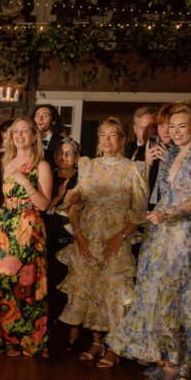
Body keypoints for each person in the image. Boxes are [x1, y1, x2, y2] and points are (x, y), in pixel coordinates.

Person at [108, 101, 191, 380]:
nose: (176, 131)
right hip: (161, 231)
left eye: (182, 126)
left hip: (184, 234)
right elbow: (160, 191)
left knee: (181, 297)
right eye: (172, 126)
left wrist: (168, 213)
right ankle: (168, 357)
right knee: (160, 296)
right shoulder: (172, 153)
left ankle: (187, 364)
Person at [57, 118, 148, 367]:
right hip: (89, 235)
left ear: (123, 140)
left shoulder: (134, 169)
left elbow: (140, 212)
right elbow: (79, 199)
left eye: (113, 135)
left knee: (115, 292)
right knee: (92, 290)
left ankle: (114, 348)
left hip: (117, 238)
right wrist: (75, 200)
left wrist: (121, 238)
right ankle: (97, 342)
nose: (107, 140)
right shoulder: (88, 165)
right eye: (103, 135)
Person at [0, 116, 53, 357]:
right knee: (3, 284)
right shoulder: (3, 162)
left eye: (26, 131)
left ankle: (23, 341)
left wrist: (27, 184)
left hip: (29, 230)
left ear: (35, 136)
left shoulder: (41, 165)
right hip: (4, 228)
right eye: (17, 131)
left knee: (24, 285)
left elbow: (44, 205)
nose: (21, 135)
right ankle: (1, 338)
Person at [44, 137, 79, 321]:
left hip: (76, 237)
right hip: (50, 234)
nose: (63, 157)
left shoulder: (83, 178)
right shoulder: (47, 175)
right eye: (59, 153)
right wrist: (57, 198)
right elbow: (43, 209)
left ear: (77, 157)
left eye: (68, 153)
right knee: (52, 277)